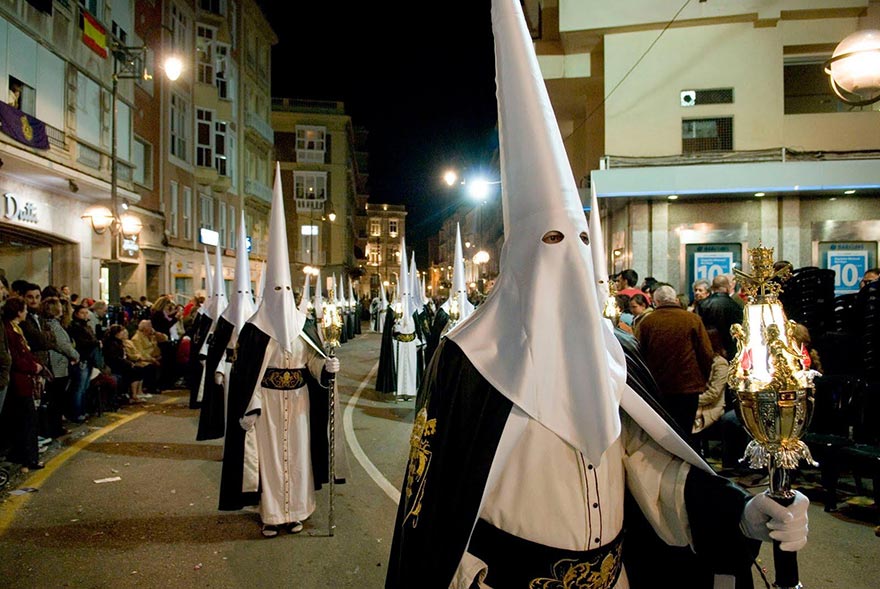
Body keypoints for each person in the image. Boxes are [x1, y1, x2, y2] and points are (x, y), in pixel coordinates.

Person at [386, 3, 808, 586]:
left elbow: (652, 470)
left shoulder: (616, 353)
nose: (567, 257)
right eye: (551, 240)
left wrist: (741, 514)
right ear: (518, 258)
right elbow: (434, 509)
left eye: (579, 241)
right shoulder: (467, 362)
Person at [219, 164, 346, 538]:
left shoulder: (301, 325)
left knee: (299, 458)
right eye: (276, 292)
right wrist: (251, 403)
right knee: (272, 461)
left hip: (301, 401)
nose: (281, 298)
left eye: (285, 292)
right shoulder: (255, 329)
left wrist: (328, 367)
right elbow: (249, 375)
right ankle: (272, 515)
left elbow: (311, 362)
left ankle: (299, 511)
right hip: (270, 406)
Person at [637, 285, 715, 441]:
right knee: (685, 432)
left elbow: (639, 354)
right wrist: (703, 379)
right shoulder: (692, 319)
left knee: (663, 434)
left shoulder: (647, 322)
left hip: (658, 387)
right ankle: (688, 463)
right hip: (688, 387)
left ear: (655, 302)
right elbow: (706, 353)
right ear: (676, 300)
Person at [3, 297, 44, 472]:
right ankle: (29, 459)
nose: (26, 312)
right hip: (20, 380)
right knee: (28, 420)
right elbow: (17, 357)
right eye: (24, 309)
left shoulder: (14, 329)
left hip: (22, 379)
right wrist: (34, 367)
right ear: (19, 312)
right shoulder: (10, 332)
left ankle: (22, 456)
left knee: (23, 420)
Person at [41, 297, 79, 438]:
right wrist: (75, 355)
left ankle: (55, 427)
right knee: (57, 400)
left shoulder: (48, 324)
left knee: (56, 399)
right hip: (57, 367)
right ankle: (54, 428)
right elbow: (63, 345)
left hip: (57, 365)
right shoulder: (54, 326)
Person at [692, 328, 729, 455]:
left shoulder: (720, 364)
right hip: (699, 401)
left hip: (712, 406)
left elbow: (714, 393)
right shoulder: (700, 360)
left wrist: (693, 400)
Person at [695, 274, 744, 360]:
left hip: (709, 347)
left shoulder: (702, 304)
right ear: (727, 287)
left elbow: (698, 328)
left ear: (712, 288)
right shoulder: (735, 305)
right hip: (731, 349)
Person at [66, 304, 99, 422]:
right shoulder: (75, 327)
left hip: (89, 359)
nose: (85, 315)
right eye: (82, 313)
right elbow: (82, 343)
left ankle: (82, 410)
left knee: (84, 387)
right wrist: (94, 342)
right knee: (79, 388)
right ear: (76, 314)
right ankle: (77, 413)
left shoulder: (86, 326)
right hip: (82, 358)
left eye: (86, 313)